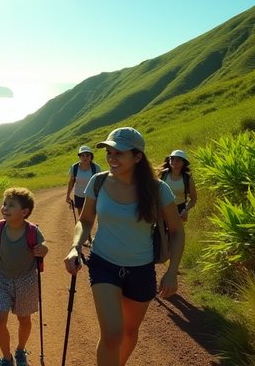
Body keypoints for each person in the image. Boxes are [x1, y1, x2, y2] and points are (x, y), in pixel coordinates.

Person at [63, 127, 185, 366]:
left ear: (137, 156)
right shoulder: (98, 182)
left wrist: (172, 272)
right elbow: (86, 220)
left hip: (141, 269)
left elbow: (177, 230)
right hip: (103, 264)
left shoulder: (158, 189)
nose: (111, 157)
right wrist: (75, 246)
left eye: (119, 153)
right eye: (109, 152)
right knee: (112, 334)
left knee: (130, 332)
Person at [0, 187, 48, 366]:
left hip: (26, 281)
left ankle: (20, 350)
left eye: (11, 205)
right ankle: (7, 358)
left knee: (24, 319)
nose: (5, 208)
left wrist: (44, 250)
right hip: (2, 278)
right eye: (4, 204)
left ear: (24, 212)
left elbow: (44, 247)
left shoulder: (32, 231)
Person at [66, 145, 100, 246]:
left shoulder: (96, 168)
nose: (85, 157)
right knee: (83, 219)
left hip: (92, 197)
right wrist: (67, 195)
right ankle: (87, 238)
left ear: (91, 157)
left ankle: (93, 238)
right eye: (83, 155)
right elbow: (71, 181)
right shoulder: (75, 167)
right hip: (79, 196)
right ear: (80, 157)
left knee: (93, 217)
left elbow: (101, 182)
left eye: (87, 155)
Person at [158, 150, 198, 222]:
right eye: (172, 159)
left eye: (178, 160)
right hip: (162, 208)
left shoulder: (187, 179)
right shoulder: (162, 174)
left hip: (179, 209)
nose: (174, 162)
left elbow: (194, 199)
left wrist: (185, 210)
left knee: (176, 232)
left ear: (183, 163)